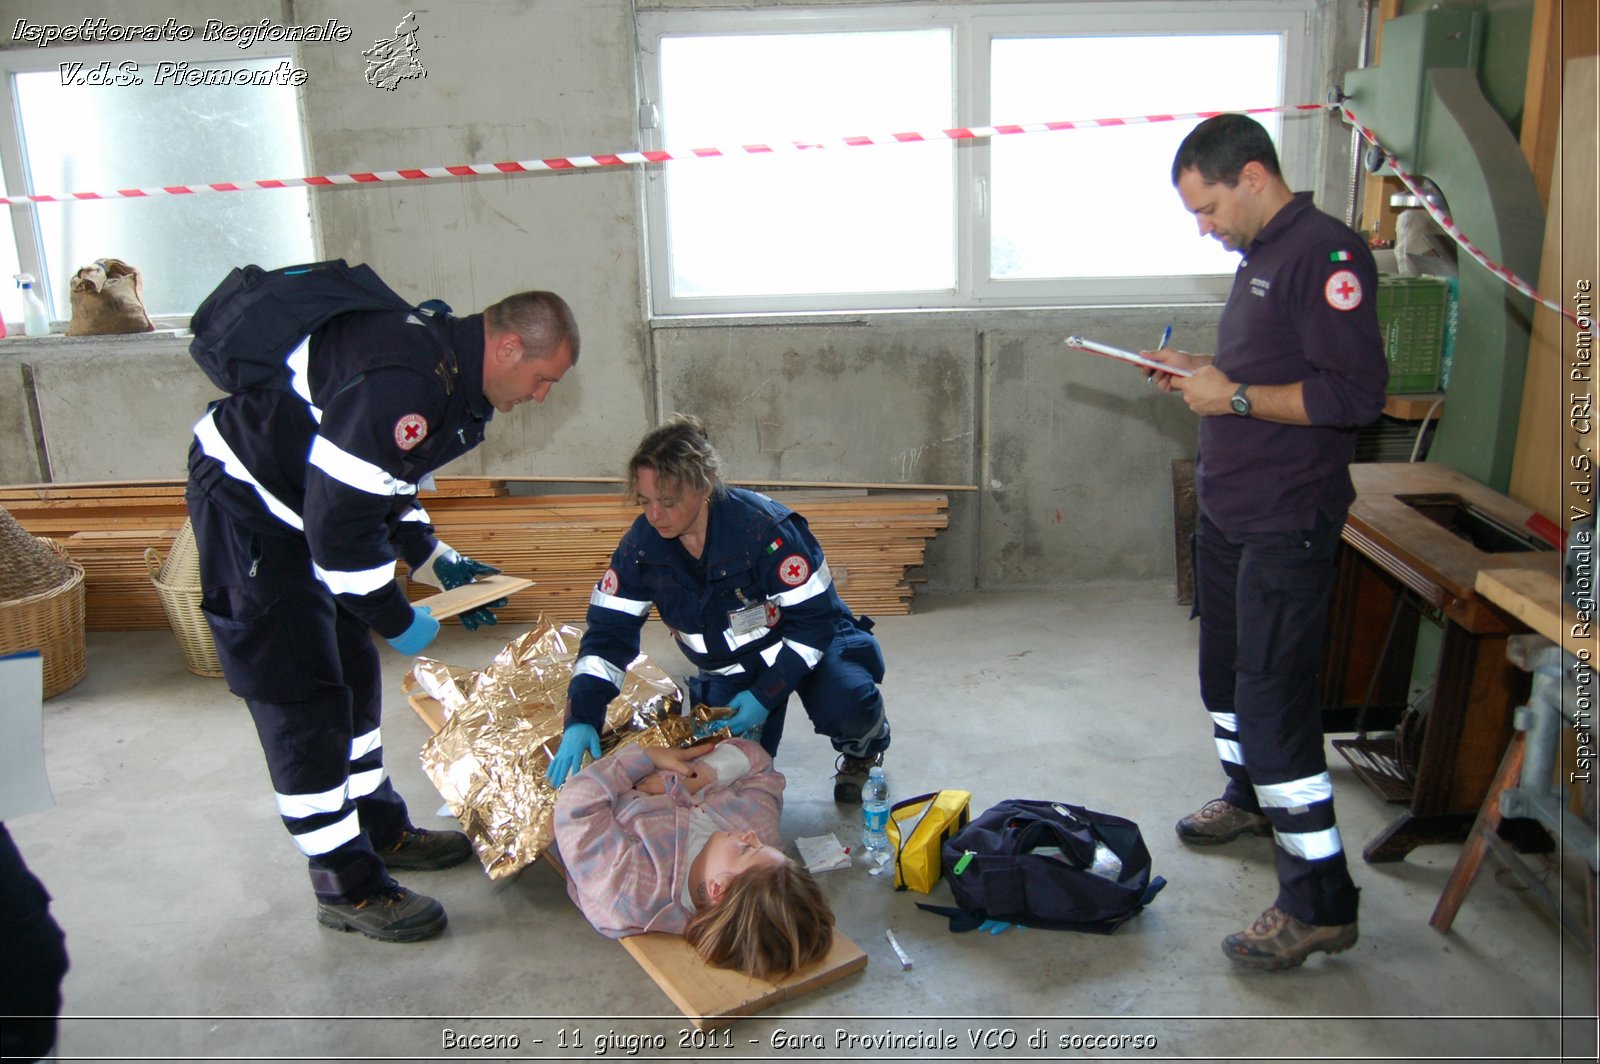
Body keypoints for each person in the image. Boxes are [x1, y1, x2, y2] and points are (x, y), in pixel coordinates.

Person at [186, 282, 579, 943]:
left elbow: (384, 483)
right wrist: (396, 616)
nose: (540, 397)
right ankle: (348, 887)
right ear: (509, 346)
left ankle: (380, 828)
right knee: (302, 703)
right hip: (253, 515)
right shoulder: (409, 380)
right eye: (542, 379)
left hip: (304, 506)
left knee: (351, 676)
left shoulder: (446, 374)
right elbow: (340, 527)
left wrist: (434, 558)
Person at [1144, 113, 1387, 970]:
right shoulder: (1261, 255)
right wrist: (1201, 376)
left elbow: (1355, 396)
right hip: (1231, 513)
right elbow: (1270, 367)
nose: (1203, 227)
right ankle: (1247, 798)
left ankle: (1319, 903)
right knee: (1225, 683)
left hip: (1287, 519)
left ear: (1251, 176)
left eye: (1207, 208)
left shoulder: (1327, 255)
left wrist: (1232, 400)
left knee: (1276, 711)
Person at [544, 414, 891, 802]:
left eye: (669, 502)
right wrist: (582, 716)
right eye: (645, 502)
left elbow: (814, 624)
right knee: (722, 774)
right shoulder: (641, 548)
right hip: (731, 668)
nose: (654, 515)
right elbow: (608, 635)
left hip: (808, 649)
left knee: (846, 702)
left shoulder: (766, 532)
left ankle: (864, 749)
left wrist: (767, 694)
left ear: (704, 485)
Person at [554, 737, 834, 979]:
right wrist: (696, 778)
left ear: (718, 888)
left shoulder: (633, 885)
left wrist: (645, 758)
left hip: (598, 762)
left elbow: (576, 806)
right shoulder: (758, 830)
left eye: (749, 849)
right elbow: (758, 762)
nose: (751, 835)